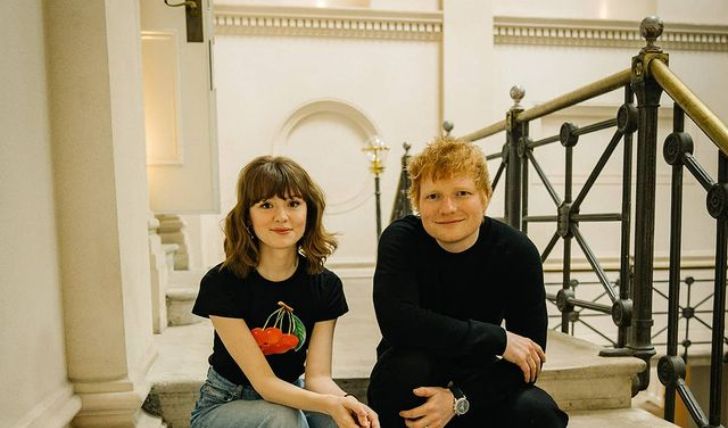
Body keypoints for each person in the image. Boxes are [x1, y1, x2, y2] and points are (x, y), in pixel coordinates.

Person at [367, 137, 568, 428]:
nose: (448, 208)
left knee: (539, 413)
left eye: (462, 193)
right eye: (433, 196)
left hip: (479, 378)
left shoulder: (516, 251)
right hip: (411, 373)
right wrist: (498, 338)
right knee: (408, 371)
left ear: (485, 196)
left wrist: (460, 399)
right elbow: (399, 323)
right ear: (418, 203)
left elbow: (529, 359)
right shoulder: (401, 240)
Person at [190, 155, 379, 428]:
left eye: (293, 204)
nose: (281, 217)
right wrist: (330, 403)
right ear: (247, 216)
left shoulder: (325, 286)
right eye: (266, 205)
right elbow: (265, 384)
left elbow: (318, 378)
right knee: (283, 419)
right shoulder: (222, 283)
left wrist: (350, 403)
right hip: (225, 404)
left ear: (308, 211)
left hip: (292, 393)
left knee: (342, 420)